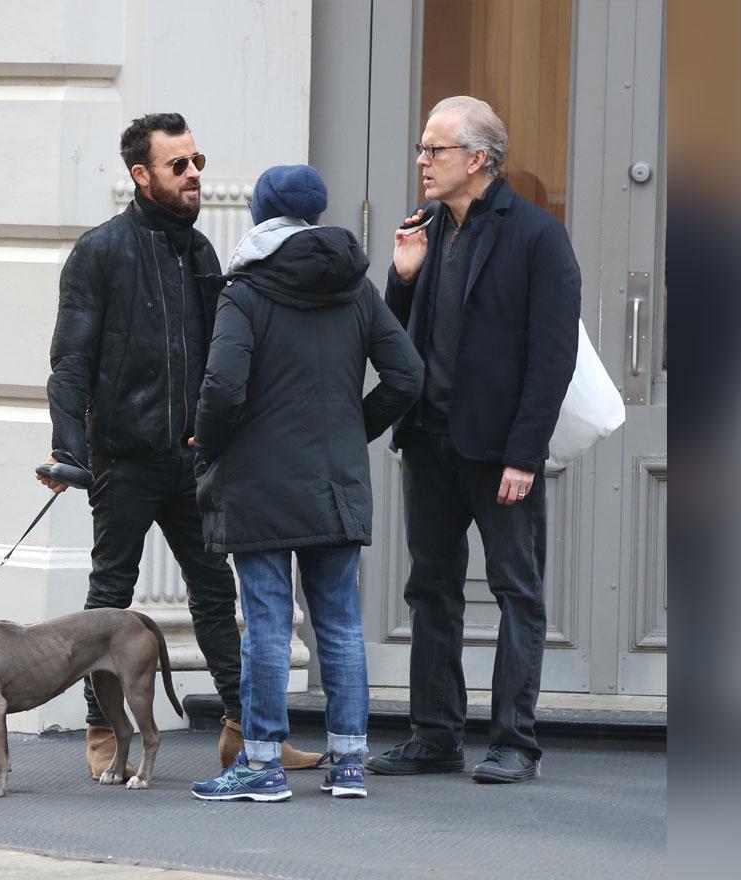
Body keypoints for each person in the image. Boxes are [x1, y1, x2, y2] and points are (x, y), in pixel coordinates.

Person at [41, 113, 320, 777]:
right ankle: (103, 728)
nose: (194, 175)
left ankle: (245, 730)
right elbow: (70, 360)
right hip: (124, 458)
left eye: (196, 162)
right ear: (142, 176)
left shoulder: (199, 253)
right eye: (179, 166)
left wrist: (220, 439)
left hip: (193, 460)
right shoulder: (99, 251)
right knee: (109, 600)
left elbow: (217, 361)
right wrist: (70, 454)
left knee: (216, 596)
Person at [188, 165, 423, 802]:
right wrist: (353, 432)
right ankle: (349, 763)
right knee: (340, 624)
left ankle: (263, 766)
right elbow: (406, 377)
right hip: (336, 484)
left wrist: (204, 446)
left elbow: (222, 388)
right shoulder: (357, 288)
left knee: (266, 624)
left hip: (259, 484)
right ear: (317, 213)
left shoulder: (245, 290)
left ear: (261, 213)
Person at [365, 96, 580, 783]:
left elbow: (552, 359)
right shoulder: (425, 228)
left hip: (498, 453)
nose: (423, 161)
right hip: (428, 442)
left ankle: (514, 741)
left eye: (436, 150)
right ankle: (435, 737)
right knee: (432, 589)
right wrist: (401, 281)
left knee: (517, 591)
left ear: (478, 159)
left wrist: (525, 452)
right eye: (424, 149)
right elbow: (392, 342)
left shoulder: (537, 237)